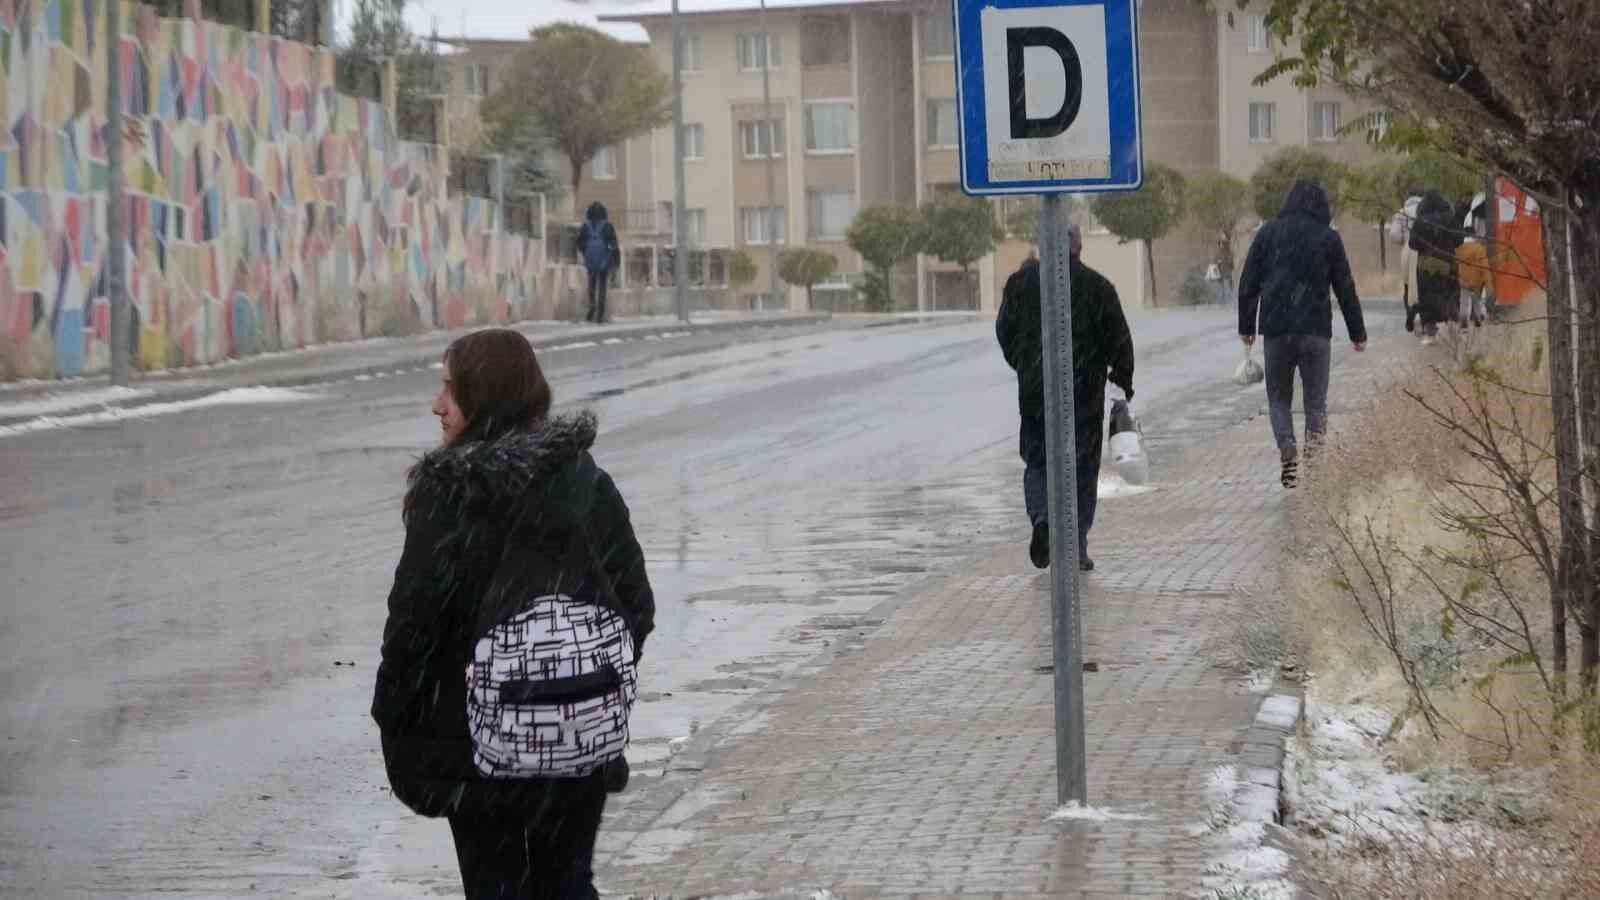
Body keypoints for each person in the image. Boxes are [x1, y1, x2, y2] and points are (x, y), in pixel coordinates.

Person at [372, 328, 654, 899]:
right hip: (576, 735)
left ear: (484, 398)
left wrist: (398, 719)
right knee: (568, 883)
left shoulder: (449, 500)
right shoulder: (584, 484)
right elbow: (635, 604)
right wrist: (581, 678)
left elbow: (414, 628)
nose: (437, 404)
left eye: (450, 388)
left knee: (495, 887)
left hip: (476, 749)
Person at [997, 223, 1135, 573]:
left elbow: (1005, 332)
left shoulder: (1021, 284)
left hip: (1037, 390)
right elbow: (1119, 339)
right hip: (1084, 391)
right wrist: (1121, 382)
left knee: (1039, 460)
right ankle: (1075, 544)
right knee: (1082, 468)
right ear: (1079, 248)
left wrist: (1026, 364)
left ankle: (1043, 518)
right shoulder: (1098, 287)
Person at [1238, 179, 1367, 489]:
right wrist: (1357, 332)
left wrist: (1247, 328)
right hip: (1315, 332)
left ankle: (1287, 449)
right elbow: (1345, 287)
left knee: (1279, 400)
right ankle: (1314, 463)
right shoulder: (1328, 238)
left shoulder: (1268, 234)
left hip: (1277, 331)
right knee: (1315, 403)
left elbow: (1248, 283)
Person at [1408, 189, 1464, 345]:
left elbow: (1412, 243)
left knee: (1427, 298)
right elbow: (1459, 239)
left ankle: (1431, 334)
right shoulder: (1450, 219)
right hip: (1448, 263)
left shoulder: (1420, 221)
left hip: (1426, 265)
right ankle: (1453, 328)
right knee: (1451, 293)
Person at [577, 202, 620, 324]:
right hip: (604, 260)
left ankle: (592, 307)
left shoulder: (585, 226)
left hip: (590, 260)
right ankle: (600, 315)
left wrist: (586, 252)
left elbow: (579, 243)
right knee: (602, 286)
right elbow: (615, 245)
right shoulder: (608, 226)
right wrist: (616, 261)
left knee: (591, 284)